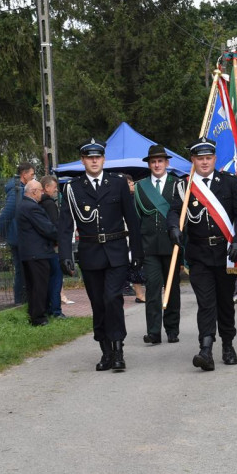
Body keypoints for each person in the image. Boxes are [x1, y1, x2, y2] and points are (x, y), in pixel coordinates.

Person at [59, 138, 143, 372]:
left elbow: (132, 220)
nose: (94, 161)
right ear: (83, 160)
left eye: (98, 157)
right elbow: (65, 225)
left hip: (116, 252)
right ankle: (105, 350)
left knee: (112, 298)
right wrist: (65, 255)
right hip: (90, 253)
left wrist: (137, 251)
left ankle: (118, 350)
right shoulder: (73, 189)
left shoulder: (117, 184)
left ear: (104, 159)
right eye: (89, 157)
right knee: (98, 303)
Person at [176, 137, 237, 371]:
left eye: (208, 158)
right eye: (200, 158)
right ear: (193, 160)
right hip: (199, 254)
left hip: (225, 253)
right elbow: (174, 212)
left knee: (225, 303)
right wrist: (172, 228)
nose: (205, 162)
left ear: (215, 159)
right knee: (206, 302)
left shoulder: (227, 182)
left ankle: (227, 344)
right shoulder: (185, 186)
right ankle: (205, 348)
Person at [133, 144, 184, 345]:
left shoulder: (178, 184)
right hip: (149, 247)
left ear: (167, 163)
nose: (157, 165)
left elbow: (182, 215)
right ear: (149, 164)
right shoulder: (140, 187)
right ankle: (153, 331)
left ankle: (172, 329)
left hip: (172, 245)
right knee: (153, 288)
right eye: (153, 161)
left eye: (160, 161)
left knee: (172, 289)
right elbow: (137, 219)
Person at [17, 179, 57, 327]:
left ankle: (34, 314)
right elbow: (46, 228)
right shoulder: (31, 207)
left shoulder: (24, 205)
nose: (42, 193)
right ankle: (38, 317)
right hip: (37, 252)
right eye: (40, 190)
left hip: (30, 253)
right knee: (39, 286)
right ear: (33, 192)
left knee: (33, 286)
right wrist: (58, 235)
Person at [0, 162, 35, 304]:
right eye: (31, 174)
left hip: (20, 235)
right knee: (21, 270)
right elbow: (7, 214)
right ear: (24, 175)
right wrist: (2, 233)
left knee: (24, 269)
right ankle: (20, 300)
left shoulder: (20, 188)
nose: (33, 177)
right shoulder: (16, 190)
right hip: (18, 236)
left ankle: (24, 299)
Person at [38, 175, 66, 319]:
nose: (56, 191)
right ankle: (56, 310)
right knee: (56, 278)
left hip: (43, 247)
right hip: (52, 246)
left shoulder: (39, 203)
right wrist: (58, 240)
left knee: (48, 279)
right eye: (54, 188)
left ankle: (49, 307)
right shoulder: (49, 204)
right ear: (47, 187)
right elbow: (55, 224)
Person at [122, 174, 146, 303]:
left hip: (137, 235)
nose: (133, 186)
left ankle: (139, 293)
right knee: (133, 265)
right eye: (130, 184)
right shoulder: (126, 200)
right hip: (128, 237)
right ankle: (138, 294)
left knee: (135, 265)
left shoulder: (136, 198)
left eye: (132, 183)